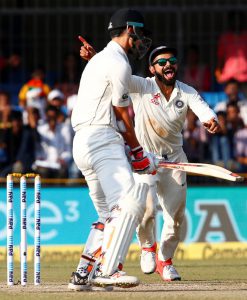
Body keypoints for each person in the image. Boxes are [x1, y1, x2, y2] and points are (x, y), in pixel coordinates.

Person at [80, 42, 220, 282]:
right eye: (162, 62)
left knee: (175, 217)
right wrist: (95, 58)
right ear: (152, 68)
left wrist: (211, 120)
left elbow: (204, 110)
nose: (168, 65)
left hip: (175, 160)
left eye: (172, 62)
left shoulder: (186, 91)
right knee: (144, 213)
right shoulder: (141, 85)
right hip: (145, 160)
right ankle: (147, 248)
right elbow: (115, 75)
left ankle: (164, 261)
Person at [68, 8, 156, 291]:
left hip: (82, 143)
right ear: (130, 29)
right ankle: (109, 269)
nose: (142, 40)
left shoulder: (101, 60)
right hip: (103, 139)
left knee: (108, 215)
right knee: (128, 203)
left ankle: (83, 275)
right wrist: (139, 153)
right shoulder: (118, 63)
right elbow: (122, 114)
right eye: (140, 33)